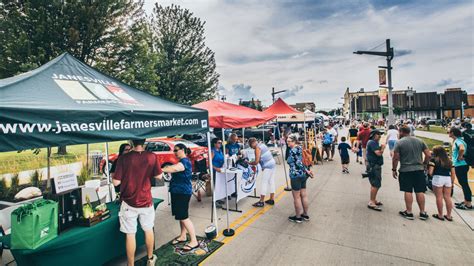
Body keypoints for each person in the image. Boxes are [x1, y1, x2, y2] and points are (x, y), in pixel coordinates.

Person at [113, 139, 162, 266]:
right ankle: (150, 259)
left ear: (131, 141)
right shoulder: (152, 156)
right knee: (148, 229)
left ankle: (130, 264)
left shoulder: (123, 158)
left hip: (128, 202)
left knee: (130, 234)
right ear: (144, 141)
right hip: (146, 199)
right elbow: (159, 177)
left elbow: (116, 182)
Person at [162, 143, 199, 252]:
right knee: (180, 216)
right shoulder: (181, 161)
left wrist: (161, 169)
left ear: (183, 150)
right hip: (177, 191)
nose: (175, 152)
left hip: (182, 192)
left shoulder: (185, 162)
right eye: (174, 150)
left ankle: (194, 240)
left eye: (176, 150)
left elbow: (174, 169)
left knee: (184, 217)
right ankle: (183, 235)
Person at [392, 126, 431, 220]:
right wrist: (425, 164)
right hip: (419, 169)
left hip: (405, 170)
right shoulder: (420, 141)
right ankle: (422, 212)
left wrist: (394, 169)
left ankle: (409, 212)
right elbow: (428, 155)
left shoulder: (399, 142)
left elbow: (396, 158)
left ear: (401, 132)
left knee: (408, 190)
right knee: (419, 190)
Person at [286, 134, 312, 223]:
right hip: (303, 175)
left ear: (294, 141)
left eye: (289, 141)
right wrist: (307, 171)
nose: (287, 142)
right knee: (304, 195)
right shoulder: (300, 148)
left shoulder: (293, 150)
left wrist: (306, 170)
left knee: (296, 197)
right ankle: (305, 214)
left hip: (295, 175)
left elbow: (298, 163)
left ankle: (298, 217)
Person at [428, 146, 455, 221]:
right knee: (447, 197)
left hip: (438, 178)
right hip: (448, 179)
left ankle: (440, 215)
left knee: (439, 197)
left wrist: (431, 175)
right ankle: (449, 215)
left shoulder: (433, 160)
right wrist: (452, 183)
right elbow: (453, 173)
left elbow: (430, 172)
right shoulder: (449, 161)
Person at [248, 137, 276, 207]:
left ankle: (261, 201)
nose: (252, 148)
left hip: (268, 166)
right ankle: (272, 199)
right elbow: (263, 157)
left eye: (251, 146)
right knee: (271, 181)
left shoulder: (257, 148)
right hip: (272, 163)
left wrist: (249, 163)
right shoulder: (262, 144)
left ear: (252, 143)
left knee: (264, 182)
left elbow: (256, 161)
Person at [449, 127, 472, 210]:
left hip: (461, 165)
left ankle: (468, 204)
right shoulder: (458, 140)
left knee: (464, 184)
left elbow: (462, 148)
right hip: (461, 165)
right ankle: (466, 201)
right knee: (463, 183)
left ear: (453, 133)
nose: (448, 133)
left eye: (449, 132)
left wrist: (459, 156)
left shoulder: (458, 141)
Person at [365, 130, 385, 211]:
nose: (380, 136)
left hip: (374, 165)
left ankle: (373, 199)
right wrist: (383, 148)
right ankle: (371, 202)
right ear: (373, 135)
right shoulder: (372, 142)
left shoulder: (373, 143)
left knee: (375, 183)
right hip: (374, 166)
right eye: (378, 134)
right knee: (376, 184)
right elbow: (378, 153)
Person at [211, 138, 225, 206]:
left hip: (220, 170)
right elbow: (209, 163)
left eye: (221, 143)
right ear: (215, 144)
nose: (220, 144)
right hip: (215, 170)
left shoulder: (220, 150)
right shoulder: (212, 151)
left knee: (219, 185)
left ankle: (218, 198)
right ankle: (214, 201)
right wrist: (216, 168)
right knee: (215, 185)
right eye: (219, 142)